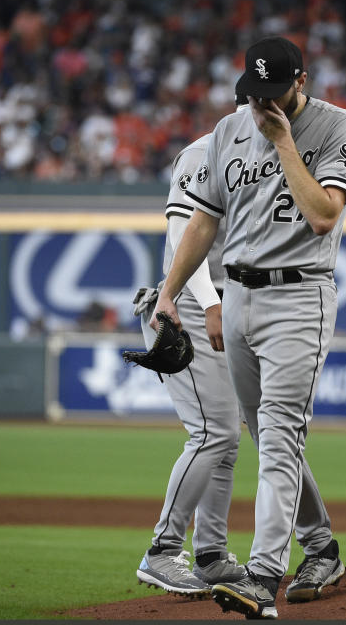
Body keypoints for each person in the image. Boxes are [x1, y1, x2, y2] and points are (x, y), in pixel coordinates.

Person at [151, 36, 346, 620]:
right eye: (254, 93)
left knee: (279, 436)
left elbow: (323, 216)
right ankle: (320, 547)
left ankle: (264, 576)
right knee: (264, 433)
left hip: (301, 294)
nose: (261, 104)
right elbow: (202, 222)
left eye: (274, 92)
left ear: (302, 80)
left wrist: (284, 143)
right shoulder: (227, 131)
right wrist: (170, 294)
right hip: (238, 295)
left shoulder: (339, 126)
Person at [133, 127, 248, 598]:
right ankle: (161, 551)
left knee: (227, 439)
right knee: (212, 432)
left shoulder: (265, 151)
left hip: (227, 304)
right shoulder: (206, 150)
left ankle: (212, 555)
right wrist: (209, 303)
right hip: (186, 305)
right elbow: (186, 233)